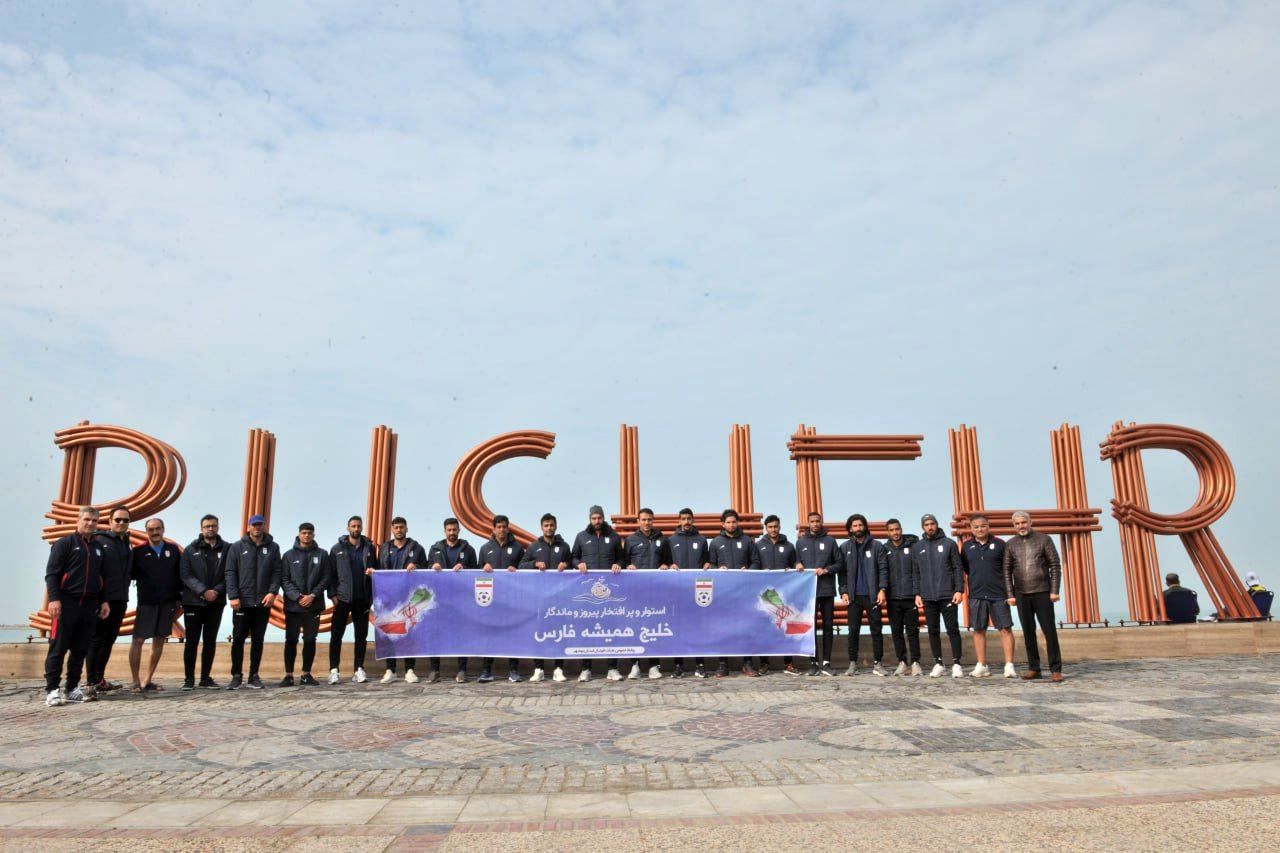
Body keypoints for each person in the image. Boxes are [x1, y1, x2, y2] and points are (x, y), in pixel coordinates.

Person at [44, 506, 109, 706]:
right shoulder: (64, 544)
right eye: (87, 519)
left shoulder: (98, 548)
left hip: (89, 605)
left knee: (81, 649)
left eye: (94, 521)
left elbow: (102, 577)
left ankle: (72, 688)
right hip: (66, 603)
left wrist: (104, 601)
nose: (90, 523)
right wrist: (54, 599)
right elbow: (52, 574)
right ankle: (52, 690)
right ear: (78, 520)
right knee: (58, 648)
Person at [1003, 510, 1064, 682]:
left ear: (1030, 522)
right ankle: (1034, 668)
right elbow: (1006, 571)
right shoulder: (1010, 544)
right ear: (1014, 525)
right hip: (1021, 594)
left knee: (1049, 630)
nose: (1021, 526)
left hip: (1043, 591)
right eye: (1017, 523)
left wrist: (1054, 590)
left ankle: (1056, 669)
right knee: (1028, 631)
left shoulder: (1044, 539)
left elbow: (1055, 565)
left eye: (1024, 522)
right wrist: (1010, 594)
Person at [225, 514, 282, 690]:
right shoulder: (236, 547)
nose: (257, 527)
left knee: (258, 639)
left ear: (264, 526)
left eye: (260, 525)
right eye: (254, 525)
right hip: (242, 602)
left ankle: (253, 676)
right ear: (248, 527)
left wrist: (272, 592)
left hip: (263, 603)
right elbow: (230, 572)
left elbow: (277, 572)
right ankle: (236, 675)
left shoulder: (273, 547)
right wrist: (233, 596)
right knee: (238, 639)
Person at [129, 518, 183, 692]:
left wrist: (179, 598)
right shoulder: (138, 551)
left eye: (158, 528)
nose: (155, 532)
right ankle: (135, 681)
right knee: (138, 640)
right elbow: (128, 575)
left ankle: (147, 680)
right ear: (146, 531)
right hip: (146, 603)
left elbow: (179, 576)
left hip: (167, 603)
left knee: (159, 640)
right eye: (151, 529)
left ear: (163, 529)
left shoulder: (173, 550)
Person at [572, 505, 625, 681]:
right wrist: (578, 564)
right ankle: (586, 669)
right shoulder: (581, 536)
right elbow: (573, 557)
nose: (597, 521)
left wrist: (618, 564)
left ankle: (612, 668)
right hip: (588, 593)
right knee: (587, 629)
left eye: (599, 518)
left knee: (611, 629)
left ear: (603, 518)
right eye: (594, 518)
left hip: (610, 594)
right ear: (590, 519)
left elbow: (621, 558)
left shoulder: (614, 536)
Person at [707, 509, 761, 678]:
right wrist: (718, 568)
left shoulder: (747, 541)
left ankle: (747, 663)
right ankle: (723, 664)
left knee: (746, 626)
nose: (731, 525)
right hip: (723, 593)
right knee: (723, 627)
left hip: (744, 591)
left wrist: (748, 570)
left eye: (734, 522)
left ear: (737, 523)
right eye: (728, 522)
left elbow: (756, 562)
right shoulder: (715, 542)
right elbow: (710, 565)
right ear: (723, 524)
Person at [85, 505, 132, 694]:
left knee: (109, 640)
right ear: (110, 521)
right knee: (96, 640)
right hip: (102, 600)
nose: (121, 523)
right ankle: (90, 682)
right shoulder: (98, 540)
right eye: (118, 519)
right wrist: (100, 599)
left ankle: (99, 679)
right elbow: (93, 571)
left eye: (125, 520)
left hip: (120, 599)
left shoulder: (127, 542)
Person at [519, 513, 572, 682]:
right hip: (539, 597)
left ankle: (558, 668)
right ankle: (539, 668)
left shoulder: (564, 546)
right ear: (541, 528)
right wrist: (534, 564)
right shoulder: (533, 547)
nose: (549, 528)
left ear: (556, 526)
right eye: (546, 525)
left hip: (559, 597)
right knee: (539, 631)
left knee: (559, 632)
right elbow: (521, 565)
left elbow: (573, 564)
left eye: (551, 525)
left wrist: (566, 565)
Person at [962, 514, 1016, 678]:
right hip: (977, 594)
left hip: (999, 594)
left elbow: (1008, 568)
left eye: (983, 526)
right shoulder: (966, 546)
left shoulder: (1000, 544)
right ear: (971, 528)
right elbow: (966, 568)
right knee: (979, 629)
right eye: (976, 527)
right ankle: (982, 665)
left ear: (988, 526)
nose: (980, 529)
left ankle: (1009, 665)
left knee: (1005, 628)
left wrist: (1010, 593)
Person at [178, 514, 228, 689]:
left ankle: (205, 678)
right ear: (201, 529)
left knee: (210, 641)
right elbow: (185, 575)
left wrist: (216, 591)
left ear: (218, 527)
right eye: (207, 526)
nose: (210, 529)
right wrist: (203, 591)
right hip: (193, 602)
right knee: (191, 641)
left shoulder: (228, 549)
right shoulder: (190, 550)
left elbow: (230, 573)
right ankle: (189, 680)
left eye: (213, 526)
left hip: (216, 602)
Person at [280, 522, 332, 686]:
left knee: (310, 640)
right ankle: (288, 675)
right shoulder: (288, 555)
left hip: (313, 605)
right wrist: (298, 597)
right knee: (291, 640)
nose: (307, 535)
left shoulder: (322, 554)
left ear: (313, 535)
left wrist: (313, 595)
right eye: (304, 533)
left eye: (309, 533)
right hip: (293, 606)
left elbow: (326, 577)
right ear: (299, 534)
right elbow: (284, 579)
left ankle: (306, 674)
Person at [913, 514, 964, 679]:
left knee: (952, 629)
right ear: (923, 527)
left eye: (932, 523)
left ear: (936, 524)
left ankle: (957, 664)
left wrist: (959, 590)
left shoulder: (949, 544)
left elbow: (957, 568)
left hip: (948, 595)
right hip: (928, 597)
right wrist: (917, 593)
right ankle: (939, 663)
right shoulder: (918, 547)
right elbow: (916, 573)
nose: (930, 527)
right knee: (933, 630)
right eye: (926, 524)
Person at [427, 517, 478, 683]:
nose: (452, 532)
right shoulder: (435, 549)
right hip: (439, 599)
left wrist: (465, 568)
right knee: (435, 634)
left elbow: (476, 571)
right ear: (444, 531)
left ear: (459, 530)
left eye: (454, 530)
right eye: (449, 530)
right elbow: (426, 569)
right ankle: (434, 670)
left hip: (461, 599)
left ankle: (462, 670)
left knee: (461, 634)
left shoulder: (468, 549)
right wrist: (432, 567)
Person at [328, 515, 377, 684]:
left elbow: (375, 570)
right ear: (348, 528)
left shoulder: (369, 548)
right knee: (336, 635)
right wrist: (333, 595)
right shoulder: (337, 549)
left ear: (362, 528)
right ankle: (334, 670)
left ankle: (359, 669)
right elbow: (331, 574)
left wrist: (371, 593)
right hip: (342, 599)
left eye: (358, 526)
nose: (356, 529)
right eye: (353, 526)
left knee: (361, 636)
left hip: (362, 599)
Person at [838, 514, 888, 677]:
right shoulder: (844, 547)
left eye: (860, 525)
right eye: (854, 526)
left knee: (876, 630)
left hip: (873, 596)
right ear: (850, 528)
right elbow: (842, 573)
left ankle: (878, 664)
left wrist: (882, 589)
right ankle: (853, 664)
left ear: (865, 526)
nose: (858, 528)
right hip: (853, 597)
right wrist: (843, 591)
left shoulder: (877, 546)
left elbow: (883, 569)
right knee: (853, 630)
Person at [379, 516, 427, 684]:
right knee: (389, 633)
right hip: (389, 597)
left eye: (401, 527)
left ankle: (409, 670)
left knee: (409, 633)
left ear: (407, 529)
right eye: (396, 527)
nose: (399, 530)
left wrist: (417, 567)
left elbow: (425, 568)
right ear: (392, 529)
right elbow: (379, 570)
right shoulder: (384, 548)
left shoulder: (417, 548)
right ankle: (390, 670)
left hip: (409, 597)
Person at [624, 508, 671, 679]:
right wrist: (627, 566)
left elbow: (668, 561)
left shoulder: (662, 540)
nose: (646, 522)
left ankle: (653, 666)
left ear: (653, 520)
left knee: (654, 627)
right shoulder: (630, 540)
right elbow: (623, 561)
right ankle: (634, 665)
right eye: (643, 519)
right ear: (638, 521)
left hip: (656, 591)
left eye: (649, 519)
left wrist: (666, 565)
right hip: (636, 591)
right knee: (634, 626)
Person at [477, 515, 524, 683]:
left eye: (504, 526)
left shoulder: (518, 548)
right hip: (491, 600)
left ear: (508, 528)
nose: (502, 529)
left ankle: (513, 670)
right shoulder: (485, 549)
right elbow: (476, 572)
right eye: (499, 527)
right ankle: (486, 671)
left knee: (512, 634)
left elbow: (525, 570)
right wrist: (483, 568)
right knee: (489, 634)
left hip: (511, 599)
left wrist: (516, 570)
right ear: (494, 529)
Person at [666, 508, 710, 678]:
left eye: (689, 519)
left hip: (698, 591)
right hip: (678, 591)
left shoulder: (702, 540)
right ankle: (678, 666)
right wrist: (669, 565)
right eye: (683, 519)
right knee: (678, 628)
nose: (686, 522)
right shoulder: (671, 540)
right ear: (679, 521)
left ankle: (700, 665)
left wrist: (708, 564)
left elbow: (708, 561)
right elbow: (666, 562)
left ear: (693, 520)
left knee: (699, 628)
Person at [795, 511, 839, 676]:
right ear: (808, 523)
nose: (815, 524)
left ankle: (826, 663)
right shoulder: (800, 542)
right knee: (810, 628)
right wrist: (797, 563)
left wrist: (827, 570)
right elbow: (796, 561)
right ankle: (813, 663)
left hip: (827, 591)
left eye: (817, 521)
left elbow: (839, 563)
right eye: (812, 521)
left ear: (821, 522)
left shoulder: (830, 541)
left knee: (828, 627)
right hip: (809, 593)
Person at [754, 514, 796, 676]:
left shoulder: (789, 546)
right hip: (765, 595)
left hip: (784, 594)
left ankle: (788, 663)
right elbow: (755, 565)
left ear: (780, 527)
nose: (773, 529)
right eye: (770, 527)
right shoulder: (758, 545)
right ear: (766, 528)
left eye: (776, 526)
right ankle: (764, 663)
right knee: (765, 627)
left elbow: (796, 565)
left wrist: (794, 567)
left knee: (785, 625)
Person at [881, 519, 923, 676]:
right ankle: (902, 662)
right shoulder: (884, 549)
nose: (895, 532)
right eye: (891, 530)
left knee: (912, 631)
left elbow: (917, 571)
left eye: (897, 529)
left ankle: (916, 662)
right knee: (896, 631)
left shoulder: (913, 546)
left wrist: (917, 592)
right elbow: (882, 571)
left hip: (910, 597)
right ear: (888, 532)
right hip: (892, 598)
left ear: (901, 529)